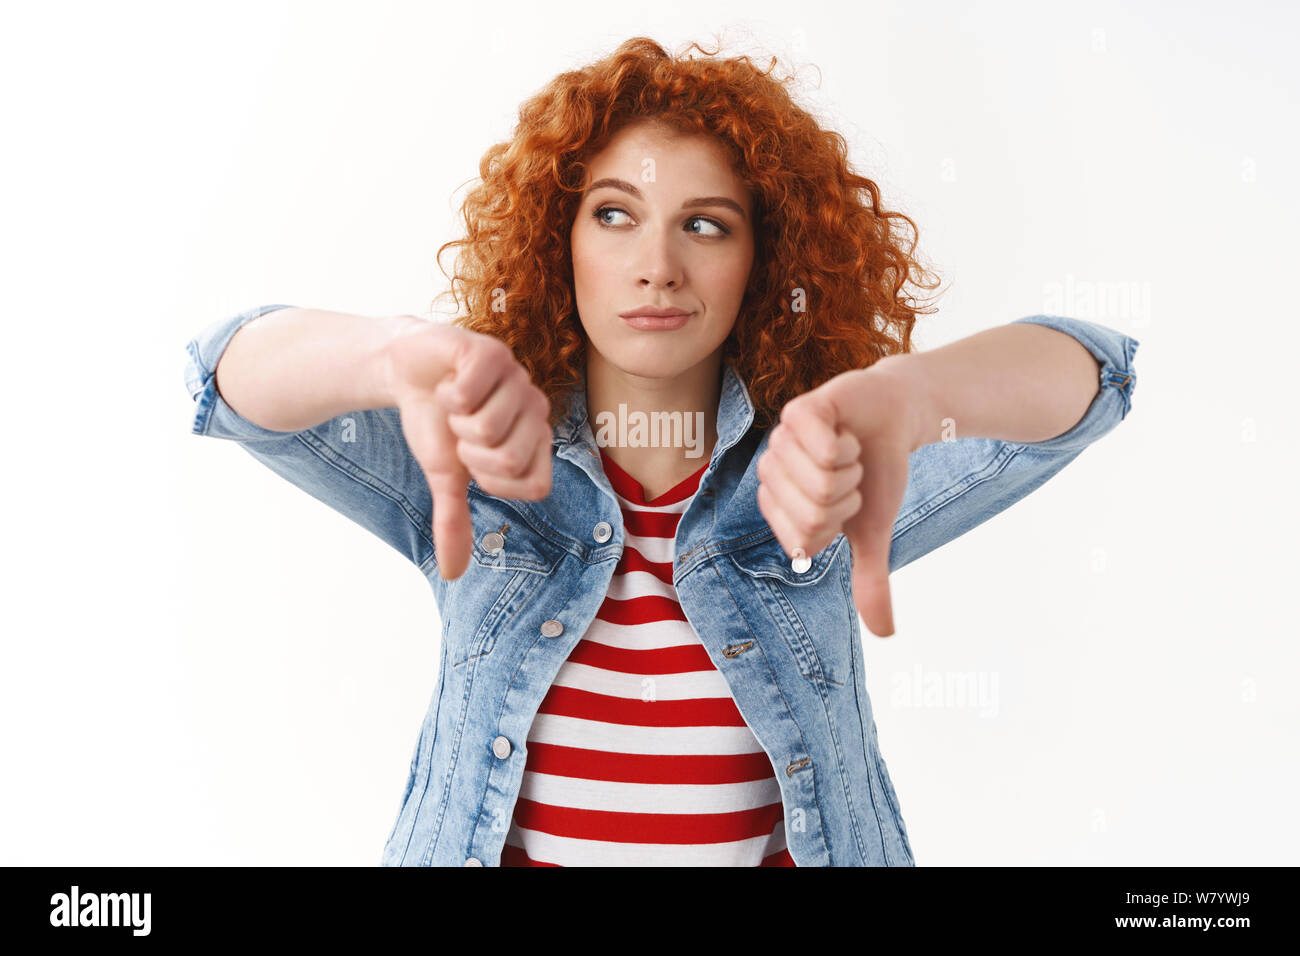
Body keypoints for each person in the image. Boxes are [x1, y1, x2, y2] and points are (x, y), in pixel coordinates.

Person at [182, 37, 1140, 866]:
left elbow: (1098, 377)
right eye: (613, 214)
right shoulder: (478, 462)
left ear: (766, 258)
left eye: (706, 225)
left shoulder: (824, 474)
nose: (657, 265)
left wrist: (918, 392)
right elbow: (221, 377)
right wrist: (389, 356)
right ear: (556, 242)